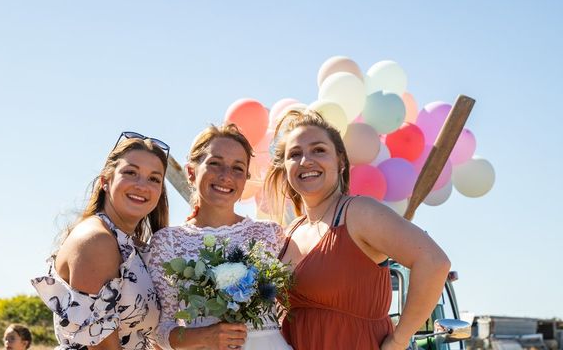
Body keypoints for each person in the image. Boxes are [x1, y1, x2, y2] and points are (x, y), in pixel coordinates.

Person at [265, 110, 451, 350]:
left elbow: (434, 262)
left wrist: (399, 339)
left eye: (318, 150)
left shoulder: (359, 212)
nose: (306, 161)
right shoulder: (289, 232)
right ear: (285, 167)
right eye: (295, 154)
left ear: (341, 161)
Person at [148, 124, 291, 350]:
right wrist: (205, 337)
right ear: (191, 172)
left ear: (245, 178)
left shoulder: (270, 233)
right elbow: (160, 330)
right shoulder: (167, 242)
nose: (226, 176)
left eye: (237, 168)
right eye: (215, 164)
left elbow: (291, 310)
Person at [32, 131, 170, 350]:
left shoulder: (131, 246)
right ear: (106, 181)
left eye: (154, 178)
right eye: (131, 173)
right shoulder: (97, 241)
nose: (142, 185)